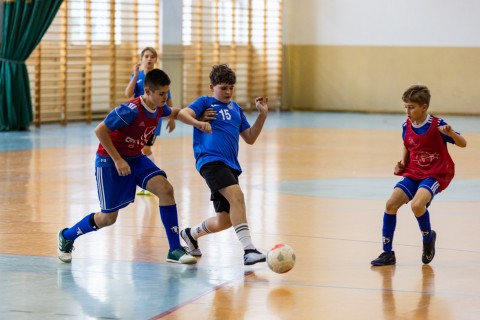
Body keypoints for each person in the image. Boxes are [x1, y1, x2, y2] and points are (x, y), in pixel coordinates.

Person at [58, 69, 196, 265]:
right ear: (148, 91)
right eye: (162, 94)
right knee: (107, 218)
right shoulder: (130, 109)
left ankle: (174, 249)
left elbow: (174, 112)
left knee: (166, 189)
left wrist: (197, 120)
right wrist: (117, 159)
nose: (166, 97)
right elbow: (100, 130)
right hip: (109, 161)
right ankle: (67, 235)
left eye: (167, 93)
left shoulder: (158, 107)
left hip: (135, 158)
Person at [177, 64, 269, 265]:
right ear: (212, 87)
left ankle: (190, 234)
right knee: (237, 195)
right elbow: (182, 114)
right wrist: (199, 123)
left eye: (231, 88)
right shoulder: (205, 103)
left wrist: (262, 115)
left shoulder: (236, 109)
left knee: (225, 220)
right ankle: (249, 250)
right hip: (210, 160)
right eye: (223, 88)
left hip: (230, 165)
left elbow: (250, 137)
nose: (228, 92)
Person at [371, 84, 467, 266]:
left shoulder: (438, 125)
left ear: (424, 107)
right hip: (414, 172)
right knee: (390, 204)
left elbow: (463, 143)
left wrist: (452, 133)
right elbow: (408, 144)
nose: (407, 111)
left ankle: (428, 238)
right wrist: (402, 163)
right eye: (405, 106)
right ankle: (387, 253)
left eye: (411, 107)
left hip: (435, 174)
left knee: (417, 205)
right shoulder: (406, 125)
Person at [125, 47, 175, 196]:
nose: (149, 59)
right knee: (140, 150)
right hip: (138, 121)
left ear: (155, 60)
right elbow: (128, 94)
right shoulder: (137, 76)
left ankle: (150, 179)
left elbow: (168, 98)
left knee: (145, 149)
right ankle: (149, 179)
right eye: (146, 56)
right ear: (141, 59)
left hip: (153, 121)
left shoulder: (159, 79)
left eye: (152, 56)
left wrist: (172, 119)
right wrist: (134, 76)